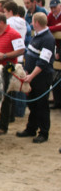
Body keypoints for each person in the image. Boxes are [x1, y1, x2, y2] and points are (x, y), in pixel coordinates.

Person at [18, 13, 55, 143]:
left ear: (37, 23)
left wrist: (31, 76)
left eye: (33, 21)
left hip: (42, 77)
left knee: (42, 104)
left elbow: (43, 62)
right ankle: (31, 128)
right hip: (32, 75)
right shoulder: (37, 36)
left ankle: (44, 132)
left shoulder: (48, 39)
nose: (32, 24)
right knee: (32, 103)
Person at [46, 0, 61, 109]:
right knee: (55, 74)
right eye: (51, 7)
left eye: (55, 7)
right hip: (57, 47)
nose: (53, 9)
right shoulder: (50, 16)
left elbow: (47, 28)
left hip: (58, 47)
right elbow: (43, 25)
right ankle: (57, 101)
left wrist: (51, 28)